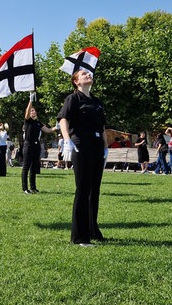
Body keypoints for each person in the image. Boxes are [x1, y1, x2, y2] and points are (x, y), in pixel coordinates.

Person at [58, 70, 107, 247]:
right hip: (81, 145)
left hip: (97, 146)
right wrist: (67, 140)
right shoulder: (73, 98)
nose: (88, 75)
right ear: (76, 82)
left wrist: (105, 148)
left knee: (95, 190)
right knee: (83, 189)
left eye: (89, 73)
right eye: (84, 74)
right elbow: (63, 119)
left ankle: (93, 231)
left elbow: (102, 127)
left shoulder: (96, 101)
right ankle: (80, 237)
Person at [22, 96, 55, 194]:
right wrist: (30, 100)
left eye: (34, 110)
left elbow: (48, 130)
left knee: (34, 167)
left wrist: (57, 127)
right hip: (28, 145)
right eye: (31, 111)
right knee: (26, 167)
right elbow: (27, 112)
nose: (33, 112)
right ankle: (25, 188)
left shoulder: (38, 123)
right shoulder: (28, 121)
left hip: (36, 146)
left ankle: (33, 187)